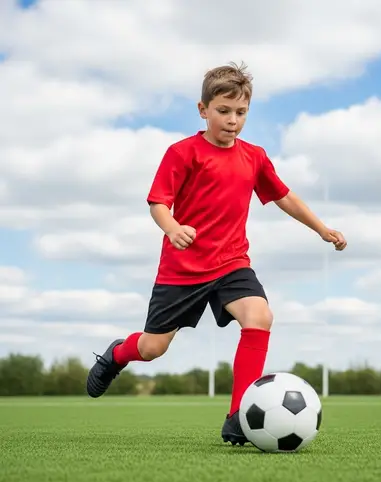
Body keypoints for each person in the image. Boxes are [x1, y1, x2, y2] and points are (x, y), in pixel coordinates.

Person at [86, 62, 347, 446]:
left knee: (260, 315)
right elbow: (158, 202)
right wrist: (173, 228)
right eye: (223, 111)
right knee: (153, 347)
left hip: (231, 263)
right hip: (182, 270)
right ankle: (116, 355)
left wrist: (321, 228)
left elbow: (284, 196)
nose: (232, 120)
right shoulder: (183, 153)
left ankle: (239, 415)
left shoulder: (254, 156)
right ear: (203, 109)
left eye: (240, 112)